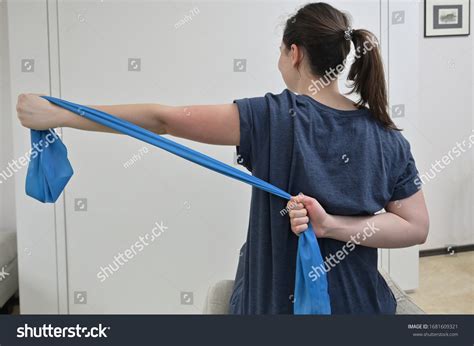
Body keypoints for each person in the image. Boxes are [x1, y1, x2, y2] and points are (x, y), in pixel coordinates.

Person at [16, 2, 429, 314]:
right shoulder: (386, 136)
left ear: (295, 54)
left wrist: (61, 114)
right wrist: (335, 226)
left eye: (281, 52)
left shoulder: (271, 117)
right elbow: (416, 227)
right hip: (362, 309)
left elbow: (163, 119)